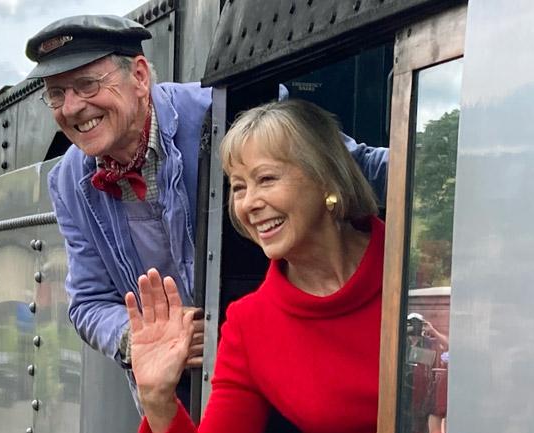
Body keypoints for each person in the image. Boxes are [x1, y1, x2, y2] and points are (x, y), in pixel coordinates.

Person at [25, 14, 389, 373]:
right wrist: (138, 338)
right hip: (175, 386)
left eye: (88, 85)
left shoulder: (224, 110)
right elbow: (88, 302)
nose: (71, 107)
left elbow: (352, 168)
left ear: (139, 76)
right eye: (57, 95)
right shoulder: (67, 180)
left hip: (284, 360)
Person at [127, 100, 383, 433]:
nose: (249, 204)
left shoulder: (418, 266)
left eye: (266, 179)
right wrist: (157, 400)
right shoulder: (249, 323)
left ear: (326, 177)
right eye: (238, 187)